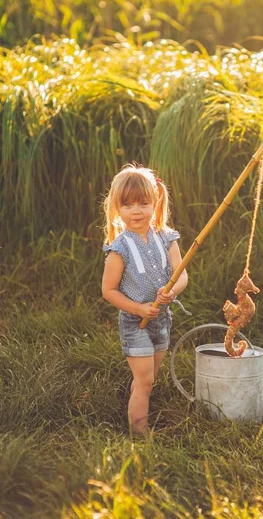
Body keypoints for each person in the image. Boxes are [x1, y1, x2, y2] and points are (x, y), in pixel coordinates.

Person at [102, 164, 188, 435]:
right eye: (127, 205)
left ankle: (135, 405)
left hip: (161, 319)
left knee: (147, 379)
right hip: (133, 321)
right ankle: (140, 437)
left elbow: (181, 274)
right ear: (117, 208)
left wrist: (172, 291)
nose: (136, 211)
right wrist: (138, 308)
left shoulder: (167, 238)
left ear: (155, 202)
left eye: (143, 203)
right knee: (145, 379)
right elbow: (109, 291)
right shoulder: (119, 248)